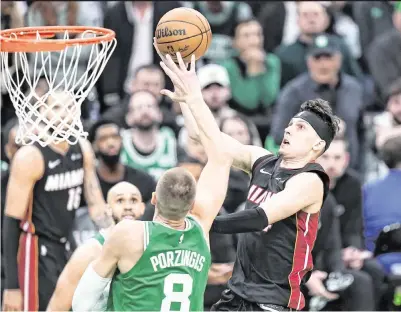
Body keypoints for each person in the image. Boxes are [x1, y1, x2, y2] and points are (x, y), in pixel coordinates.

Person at [156, 46, 339, 311]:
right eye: (290, 124)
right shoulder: (262, 161)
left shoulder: (311, 180)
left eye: (300, 127)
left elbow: (259, 217)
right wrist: (189, 96)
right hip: (238, 292)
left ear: (317, 145)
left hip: (274, 300)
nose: (288, 129)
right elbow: (205, 138)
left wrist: (203, 224)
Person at [72, 77, 233, 310]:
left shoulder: (128, 233)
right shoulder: (201, 230)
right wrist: (191, 99)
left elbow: (83, 303)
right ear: (192, 205)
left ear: (154, 198)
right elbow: (220, 157)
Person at [2, 92, 111, 312]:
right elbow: (11, 222)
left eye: (70, 106)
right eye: (57, 108)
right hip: (35, 247)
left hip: (66, 245)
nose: (65, 113)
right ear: (42, 113)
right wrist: (11, 286)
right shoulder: (30, 156)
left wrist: (113, 236)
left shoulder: (82, 148)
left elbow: (96, 204)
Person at [47, 181, 145, 311]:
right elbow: (57, 307)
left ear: (142, 207)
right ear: (108, 209)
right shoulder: (89, 252)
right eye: (120, 200)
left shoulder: (150, 247)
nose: (127, 206)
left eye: (133, 200)